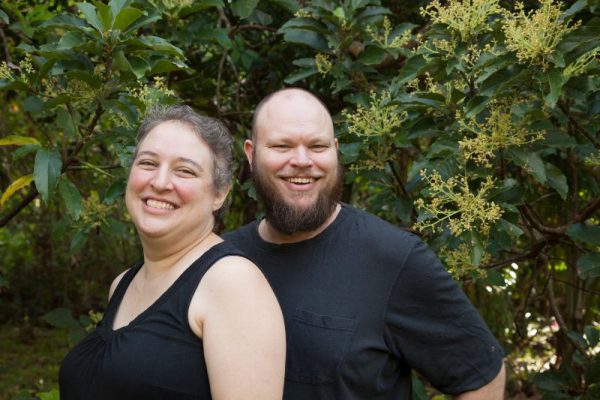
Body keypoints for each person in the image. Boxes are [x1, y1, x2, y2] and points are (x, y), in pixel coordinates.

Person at [224, 88, 506, 399]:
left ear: (336, 151)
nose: (302, 160)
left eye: (317, 146)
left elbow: (482, 376)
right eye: (282, 146)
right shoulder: (220, 259)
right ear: (251, 154)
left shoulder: (393, 258)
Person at [60, 105, 286, 400]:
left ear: (219, 194)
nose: (160, 182)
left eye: (185, 170)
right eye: (148, 163)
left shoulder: (232, 283)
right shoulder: (123, 283)